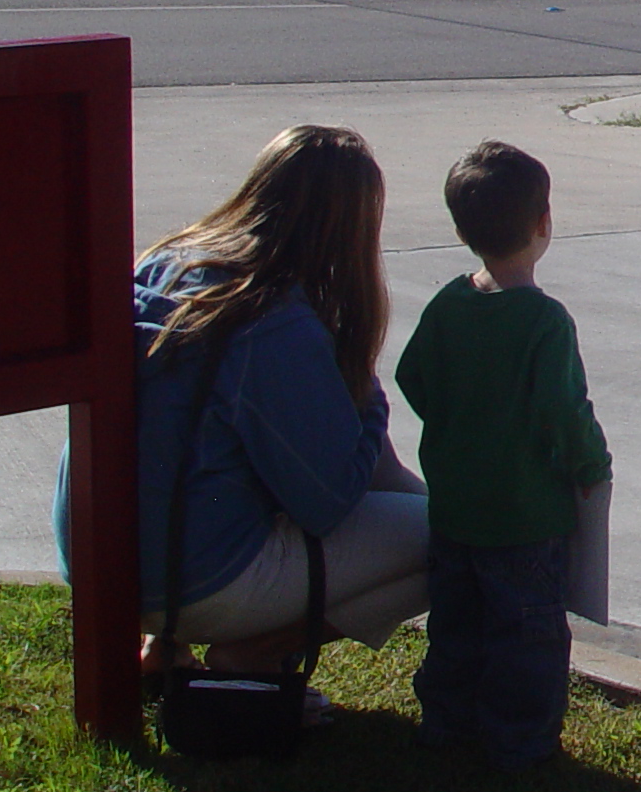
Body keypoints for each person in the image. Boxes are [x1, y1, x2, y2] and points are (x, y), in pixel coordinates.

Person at [56, 124, 430, 694]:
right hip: (195, 584)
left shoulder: (166, 264)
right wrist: (364, 392)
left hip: (97, 563)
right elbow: (326, 503)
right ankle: (253, 653)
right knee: (457, 535)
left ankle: (163, 649)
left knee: (200, 458)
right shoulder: (273, 321)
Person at [395, 141, 611, 769]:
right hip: (525, 518)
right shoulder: (545, 321)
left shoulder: (449, 303)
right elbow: (564, 411)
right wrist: (590, 468)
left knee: (456, 627)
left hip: (456, 511)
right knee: (527, 637)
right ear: (544, 224)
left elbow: (413, 378)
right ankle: (520, 743)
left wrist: (460, 422)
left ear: (462, 231)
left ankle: (447, 722)